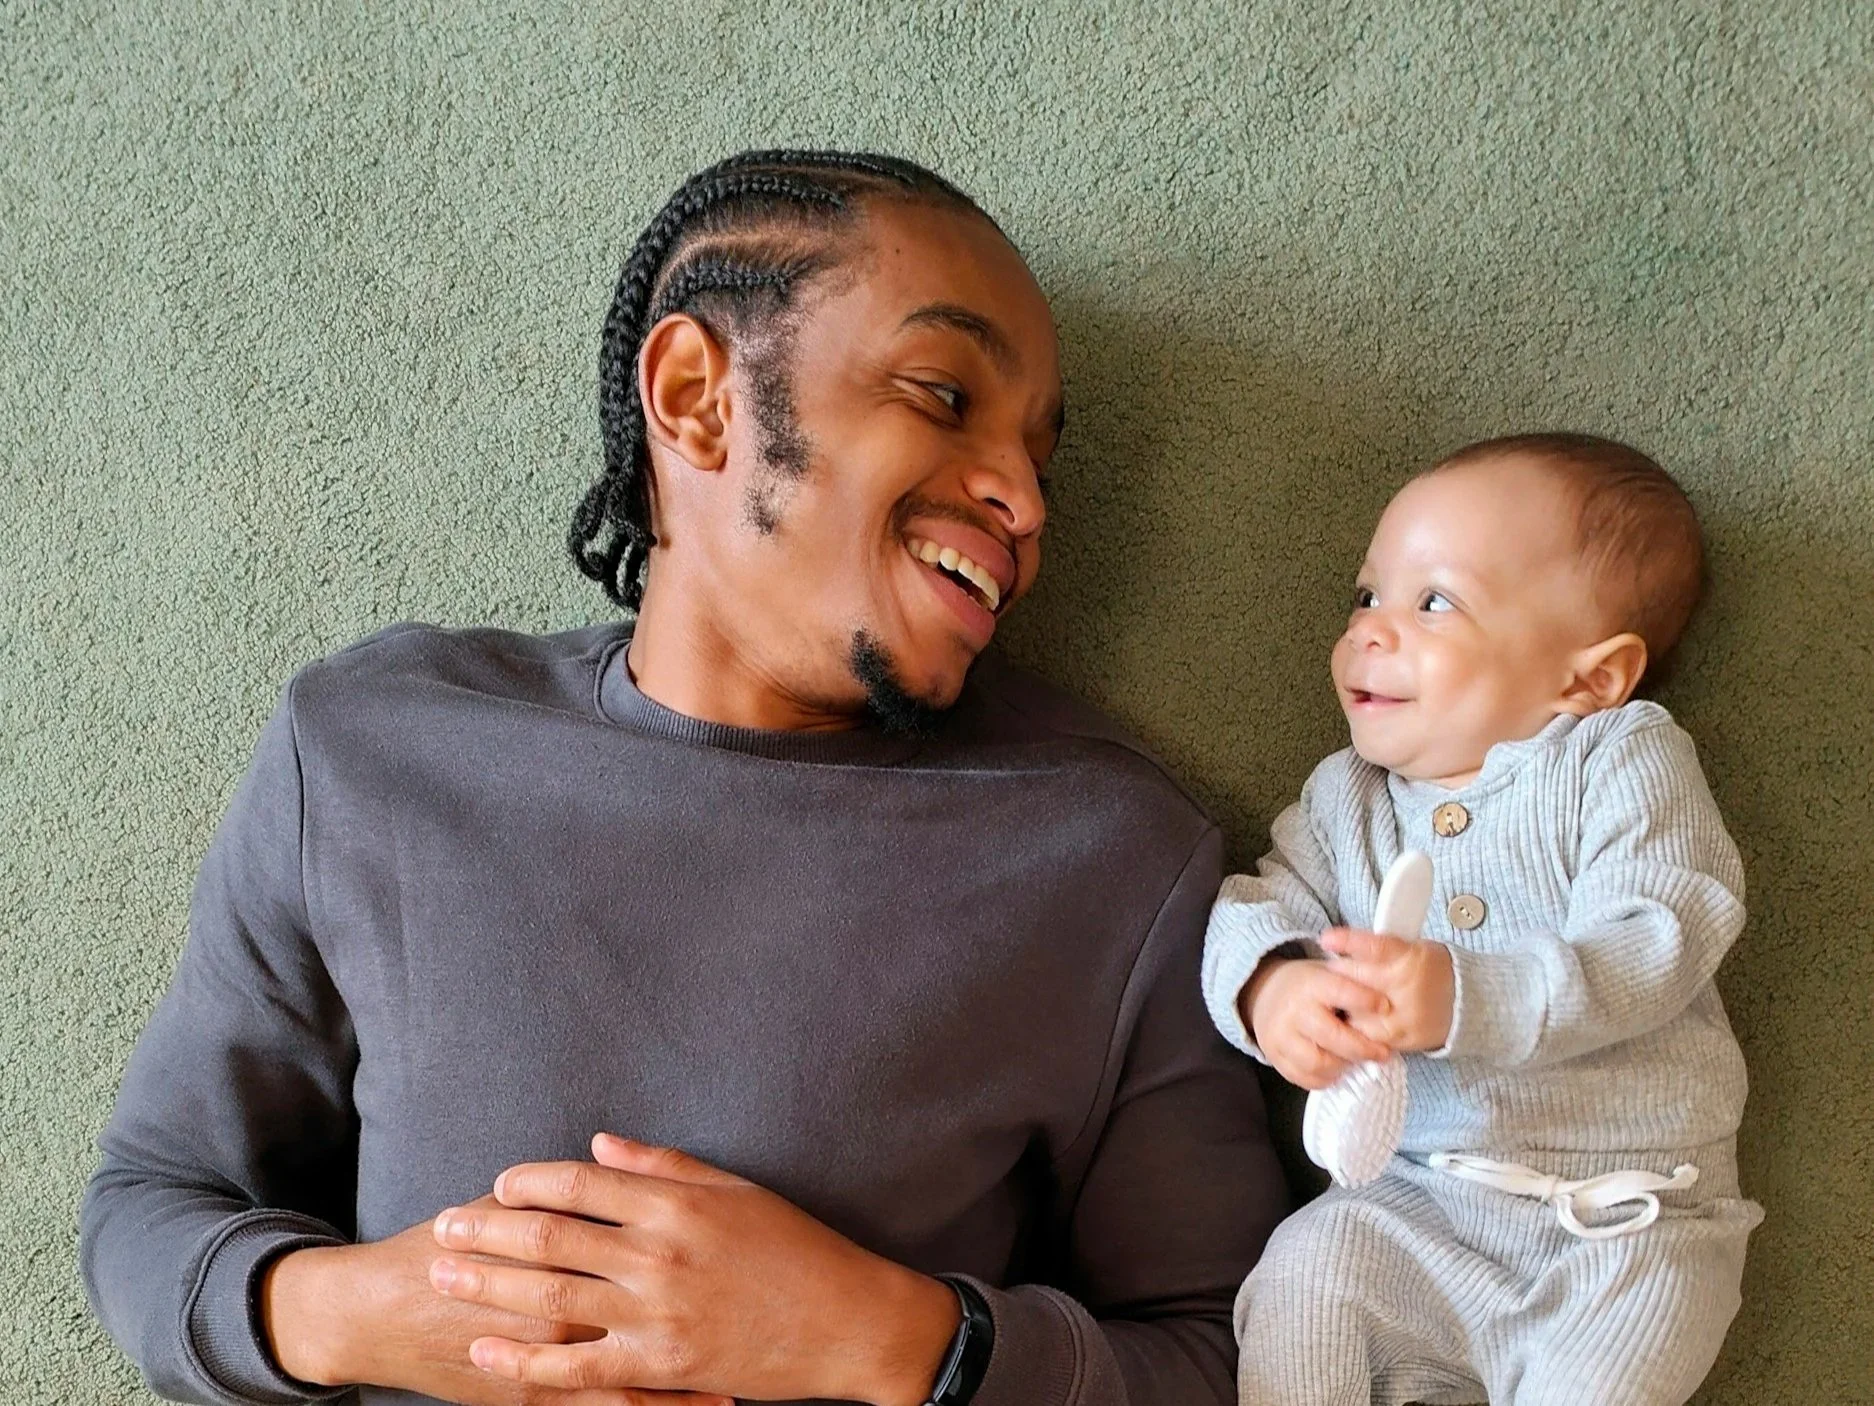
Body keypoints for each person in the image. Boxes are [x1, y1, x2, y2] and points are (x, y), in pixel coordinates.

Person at [81, 149, 1287, 1406]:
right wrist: (356, 1315)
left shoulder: (1111, 858)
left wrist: (893, 1337)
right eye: (942, 394)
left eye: (1041, 459)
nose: (1024, 500)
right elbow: (150, 1198)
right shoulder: (368, 749)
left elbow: (1225, 1353)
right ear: (696, 396)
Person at [1202, 433, 1763, 1406]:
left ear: (1586, 680)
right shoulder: (1347, 799)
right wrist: (1273, 983)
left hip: (1628, 1226)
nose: (1369, 630)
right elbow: (1255, 905)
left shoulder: (1615, 758)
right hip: (1412, 1206)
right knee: (1303, 1273)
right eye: (1365, 593)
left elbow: (1665, 924)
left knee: (1604, 1375)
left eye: (1433, 602)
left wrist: (1469, 993)